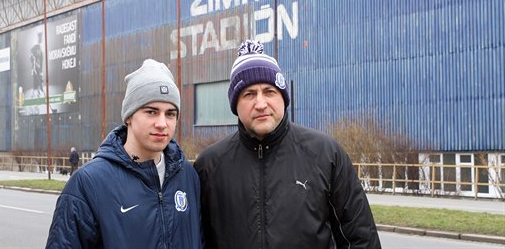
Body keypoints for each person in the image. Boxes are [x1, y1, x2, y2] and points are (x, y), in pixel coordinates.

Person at [194, 40, 381, 248]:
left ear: (283, 98)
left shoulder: (326, 155)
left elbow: (360, 239)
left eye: (269, 91)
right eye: (249, 94)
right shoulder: (209, 167)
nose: (261, 103)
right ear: (235, 104)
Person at [47, 59, 202, 248]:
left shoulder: (188, 176)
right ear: (129, 116)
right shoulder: (89, 183)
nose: (162, 123)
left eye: (170, 114)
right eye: (151, 112)